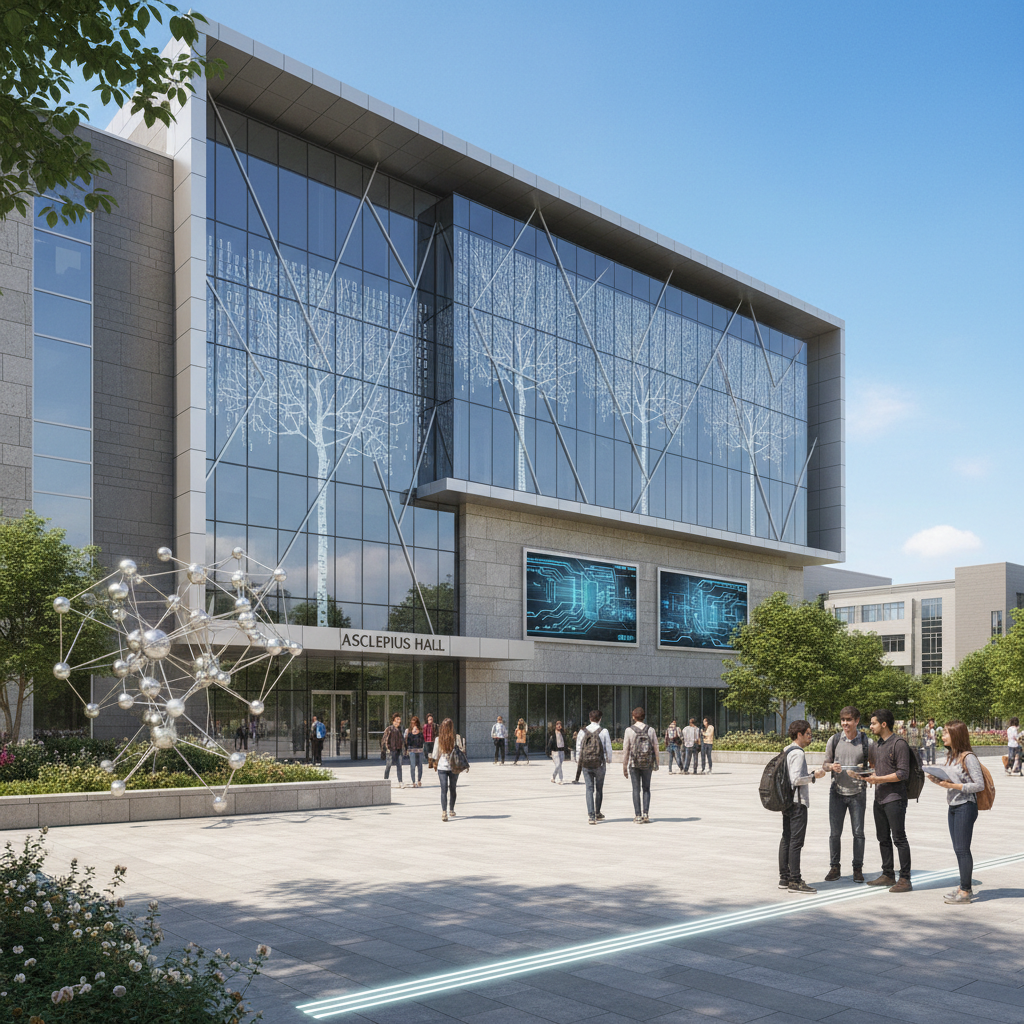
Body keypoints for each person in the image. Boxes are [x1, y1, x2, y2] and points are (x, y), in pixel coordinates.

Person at [927, 720, 986, 904]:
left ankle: (966, 891)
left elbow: (979, 785)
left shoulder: (968, 757)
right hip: (953, 806)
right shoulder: (952, 756)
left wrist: (951, 785)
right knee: (958, 849)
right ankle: (962, 887)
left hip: (965, 806)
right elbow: (952, 782)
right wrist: (938, 780)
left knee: (962, 849)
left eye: (946, 733)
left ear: (956, 735)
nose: (942, 736)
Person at [822, 705, 873, 882]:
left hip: (858, 793)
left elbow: (874, 767)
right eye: (843, 720)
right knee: (835, 833)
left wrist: (864, 771)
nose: (845, 723)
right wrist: (831, 767)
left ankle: (857, 868)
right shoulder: (834, 740)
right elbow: (825, 764)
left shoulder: (867, 742)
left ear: (857, 721)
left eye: (849, 720)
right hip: (836, 792)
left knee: (858, 832)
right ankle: (834, 867)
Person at [863, 709, 913, 892]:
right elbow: (881, 770)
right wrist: (868, 777)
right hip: (880, 798)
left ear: (883, 724)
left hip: (895, 798)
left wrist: (878, 779)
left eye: (873, 723)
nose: (871, 726)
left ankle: (905, 879)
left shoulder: (899, 744)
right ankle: (888, 874)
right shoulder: (877, 745)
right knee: (882, 837)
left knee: (899, 838)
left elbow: (902, 773)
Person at [780, 720, 827, 894]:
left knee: (786, 839)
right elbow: (796, 779)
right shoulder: (798, 753)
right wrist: (814, 776)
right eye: (808, 733)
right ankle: (795, 881)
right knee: (796, 842)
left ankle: (784, 878)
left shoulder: (786, 749)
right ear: (799, 734)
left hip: (786, 801)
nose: (810, 736)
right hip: (798, 803)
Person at [621, 707, 659, 823]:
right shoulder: (651, 730)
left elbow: (626, 750)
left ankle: (638, 815)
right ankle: (646, 814)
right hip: (647, 763)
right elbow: (656, 747)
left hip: (634, 764)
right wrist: (656, 763)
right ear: (644, 717)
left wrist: (624, 767)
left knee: (636, 789)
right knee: (646, 788)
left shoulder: (629, 730)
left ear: (633, 717)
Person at [576, 709, 613, 824]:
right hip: (599, 764)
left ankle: (591, 816)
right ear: (600, 719)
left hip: (586, 764)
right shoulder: (604, 731)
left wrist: (579, 761)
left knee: (589, 789)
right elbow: (608, 748)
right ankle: (597, 812)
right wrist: (609, 760)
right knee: (599, 789)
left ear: (590, 718)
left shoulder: (582, 732)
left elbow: (578, 748)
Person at [431, 717, 465, 822]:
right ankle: (449, 810)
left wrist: (434, 763)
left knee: (444, 789)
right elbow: (461, 752)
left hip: (443, 766)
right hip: (453, 766)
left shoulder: (440, 739)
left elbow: (435, 754)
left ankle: (445, 812)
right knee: (452, 788)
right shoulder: (455, 738)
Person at [382, 713, 405, 788]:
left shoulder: (400, 729)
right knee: (388, 765)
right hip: (391, 750)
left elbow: (403, 740)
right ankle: (385, 781)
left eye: (399, 719)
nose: (398, 721)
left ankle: (400, 781)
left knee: (399, 766)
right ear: (393, 721)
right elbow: (384, 739)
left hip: (399, 750)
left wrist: (404, 748)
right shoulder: (389, 729)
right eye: (397, 720)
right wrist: (386, 749)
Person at [405, 716, 425, 788]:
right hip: (412, 751)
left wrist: (418, 734)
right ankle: (413, 781)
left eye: (415, 723)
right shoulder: (409, 731)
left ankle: (419, 780)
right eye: (412, 723)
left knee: (420, 765)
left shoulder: (420, 731)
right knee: (412, 766)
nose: (414, 725)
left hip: (419, 751)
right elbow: (408, 742)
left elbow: (422, 741)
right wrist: (413, 734)